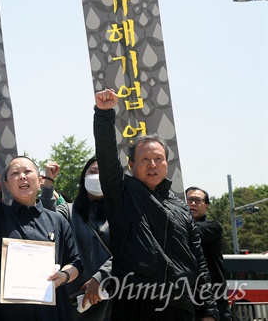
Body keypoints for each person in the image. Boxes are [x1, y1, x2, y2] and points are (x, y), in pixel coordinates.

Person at [93, 89, 218, 321]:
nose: (152, 164)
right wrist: (104, 113)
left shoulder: (181, 208)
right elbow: (107, 156)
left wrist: (209, 310)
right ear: (131, 165)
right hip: (136, 303)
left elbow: (199, 262)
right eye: (144, 159)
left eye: (158, 159)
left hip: (183, 306)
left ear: (166, 165)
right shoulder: (122, 195)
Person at [0, 119, 82, 321]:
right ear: (7, 185)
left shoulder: (57, 221)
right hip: (3, 313)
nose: (22, 177)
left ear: (40, 181)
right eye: (15, 173)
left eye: (28, 171)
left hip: (49, 312)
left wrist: (63, 276)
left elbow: (76, 263)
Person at [41, 158, 112, 321]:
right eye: (93, 172)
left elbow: (127, 250)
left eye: (104, 174)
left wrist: (100, 277)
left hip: (109, 298)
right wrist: (48, 183)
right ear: (84, 177)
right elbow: (46, 224)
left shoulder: (121, 214)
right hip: (74, 300)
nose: (98, 177)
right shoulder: (68, 210)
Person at [186, 186, 232, 321]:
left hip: (214, 297)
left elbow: (190, 230)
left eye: (197, 200)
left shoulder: (213, 227)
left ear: (206, 205)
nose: (192, 204)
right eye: (189, 200)